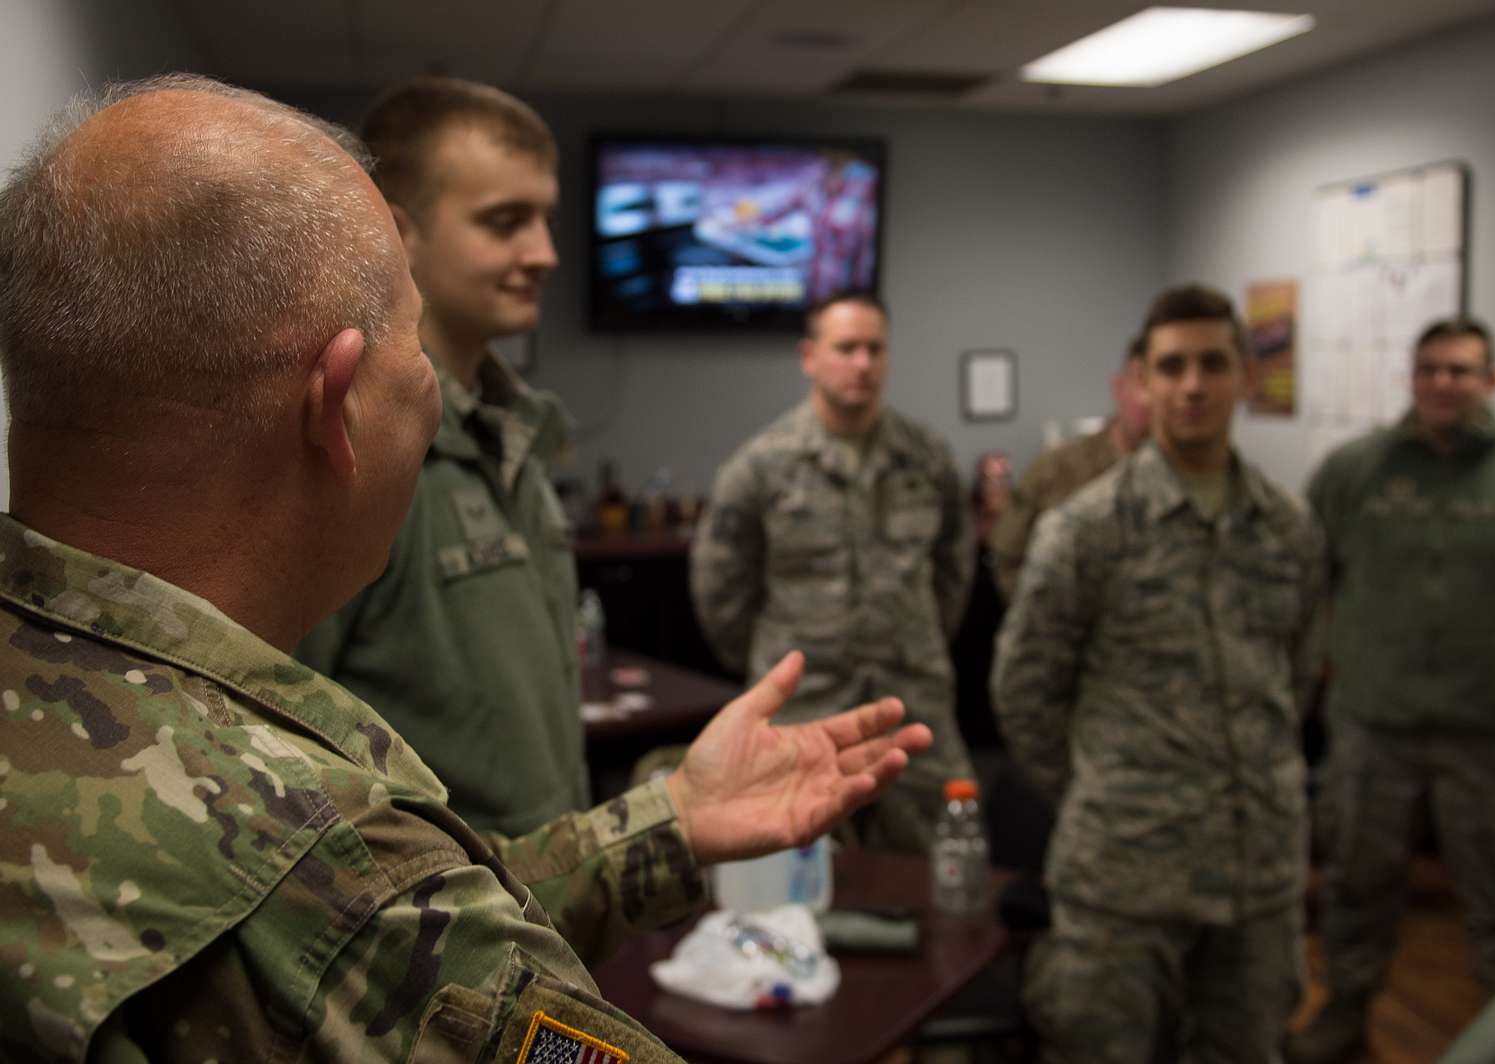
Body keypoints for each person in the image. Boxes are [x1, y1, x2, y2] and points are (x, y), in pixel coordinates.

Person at [0, 75, 931, 1063]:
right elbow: (377, 903)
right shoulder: (330, 870)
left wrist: (677, 819)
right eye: (409, 347)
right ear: (340, 400)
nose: (543, 252)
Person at [992, 284, 1324, 1063]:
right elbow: (1024, 689)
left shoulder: (1287, 527)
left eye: (1213, 364)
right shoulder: (1086, 528)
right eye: (1171, 367)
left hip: (1258, 873)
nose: (1193, 385)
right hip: (1123, 877)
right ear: (1141, 382)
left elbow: (1299, 673)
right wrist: (1106, 791)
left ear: (1246, 375)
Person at [1288, 317, 1495, 1064]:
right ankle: (1346, 1012)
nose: (1443, 384)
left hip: (1494, 729)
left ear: (1492, 382)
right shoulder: (1354, 470)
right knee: (1357, 883)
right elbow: (1312, 571)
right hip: (1374, 723)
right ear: (1411, 378)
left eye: (1461, 371)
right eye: (1429, 369)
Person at [296, 77, 587, 837]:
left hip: (551, 907)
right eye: (505, 222)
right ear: (399, 233)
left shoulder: (513, 429)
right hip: (431, 930)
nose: (546, 253)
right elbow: (283, 742)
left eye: (546, 220)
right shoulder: (354, 440)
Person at [691, 291, 975, 852]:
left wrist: (916, 636)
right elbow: (721, 591)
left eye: (875, 349)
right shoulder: (762, 465)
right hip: (804, 708)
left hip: (911, 700)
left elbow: (954, 569)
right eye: (846, 348)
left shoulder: (927, 457)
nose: (862, 364)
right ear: (809, 356)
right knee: (794, 881)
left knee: (946, 858)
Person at [989, 335, 1150, 599]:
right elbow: (1007, 553)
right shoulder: (1055, 469)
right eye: (1142, 383)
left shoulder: (1191, 478)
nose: (1152, 399)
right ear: (1119, 388)